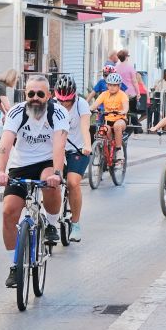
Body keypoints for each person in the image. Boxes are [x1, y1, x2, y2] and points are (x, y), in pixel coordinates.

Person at [0, 75, 68, 287]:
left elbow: (59, 146)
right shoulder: (17, 112)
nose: (35, 98)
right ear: (25, 94)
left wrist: (57, 173)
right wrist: (0, 170)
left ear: (49, 95)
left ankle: (52, 223)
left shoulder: (58, 113)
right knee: (9, 211)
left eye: (40, 94)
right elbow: (5, 144)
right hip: (20, 165)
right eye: (31, 94)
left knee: (50, 183)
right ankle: (15, 265)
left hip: (48, 162)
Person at [53, 74, 92, 242]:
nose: (64, 104)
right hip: (57, 149)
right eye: (61, 101)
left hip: (77, 149)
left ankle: (75, 223)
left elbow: (85, 126)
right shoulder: (52, 104)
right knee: (50, 181)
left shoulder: (81, 104)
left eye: (67, 101)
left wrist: (87, 145)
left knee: (72, 183)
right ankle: (49, 221)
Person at [92, 72, 131, 152]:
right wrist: (88, 110)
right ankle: (109, 150)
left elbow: (126, 107)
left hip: (120, 120)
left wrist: (123, 111)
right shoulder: (104, 94)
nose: (112, 87)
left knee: (117, 126)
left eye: (114, 85)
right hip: (108, 121)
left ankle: (119, 151)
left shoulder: (122, 95)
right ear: (107, 85)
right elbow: (94, 105)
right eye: (110, 85)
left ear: (119, 86)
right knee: (105, 129)